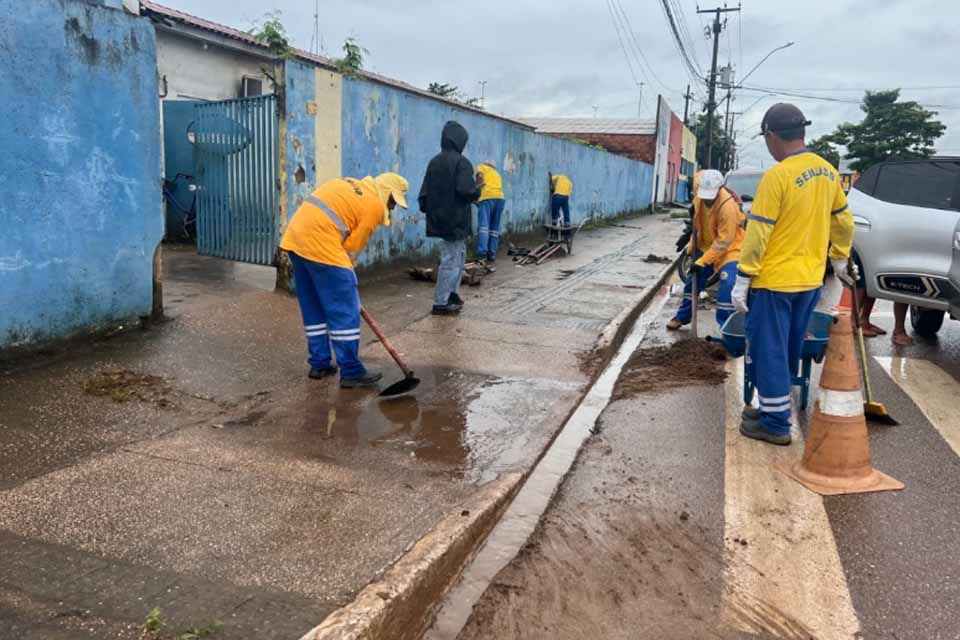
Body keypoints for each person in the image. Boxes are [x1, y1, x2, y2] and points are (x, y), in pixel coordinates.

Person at [731, 103, 857, 446]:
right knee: (788, 348)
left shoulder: (778, 176)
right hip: (810, 281)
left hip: (775, 282)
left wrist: (743, 277)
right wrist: (839, 258)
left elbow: (758, 232)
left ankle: (775, 424)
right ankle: (773, 408)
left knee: (768, 349)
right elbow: (844, 221)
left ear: (772, 136)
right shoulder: (827, 172)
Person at [280, 172, 409, 388]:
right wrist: (346, 279)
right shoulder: (374, 205)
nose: (392, 207)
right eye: (393, 201)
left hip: (296, 240)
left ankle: (319, 363)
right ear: (386, 192)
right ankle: (351, 371)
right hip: (321, 243)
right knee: (345, 308)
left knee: (314, 305)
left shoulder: (351, 184)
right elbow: (352, 247)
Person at [667, 169, 744, 330]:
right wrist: (691, 246)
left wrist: (702, 261)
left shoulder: (727, 207)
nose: (707, 200)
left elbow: (724, 241)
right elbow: (698, 222)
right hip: (706, 245)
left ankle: (726, 328)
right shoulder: (699, 191)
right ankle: (682, 316)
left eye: (710, 197)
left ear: (719, 189)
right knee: (692, 281)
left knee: (727, 283)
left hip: (730, 249)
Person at [419, 121, 482, 316]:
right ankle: (441, 302)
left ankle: (452, 294)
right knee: (452, 259)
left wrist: (432, 211)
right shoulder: (462, 163)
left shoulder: (434, 162)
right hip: (456, 219)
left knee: (458, 256)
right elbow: (466, 190)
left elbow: (424, 194)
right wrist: (478, 186)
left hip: (439, 218)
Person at [475, 161, 505, 271]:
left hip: (487, 196)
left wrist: (475, 190)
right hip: (500, 199)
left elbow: (480, 178)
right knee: (494, 228)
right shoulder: (497, 174)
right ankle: (491, 254)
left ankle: (482, 254)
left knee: (484, 226)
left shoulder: (482, 167)